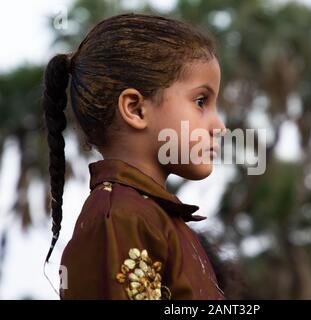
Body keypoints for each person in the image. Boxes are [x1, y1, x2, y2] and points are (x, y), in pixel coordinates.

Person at [41, 13, 227, 300]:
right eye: (201, 101)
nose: (220, 127)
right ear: (136, 109)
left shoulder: (153, 218)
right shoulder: (119, 218)